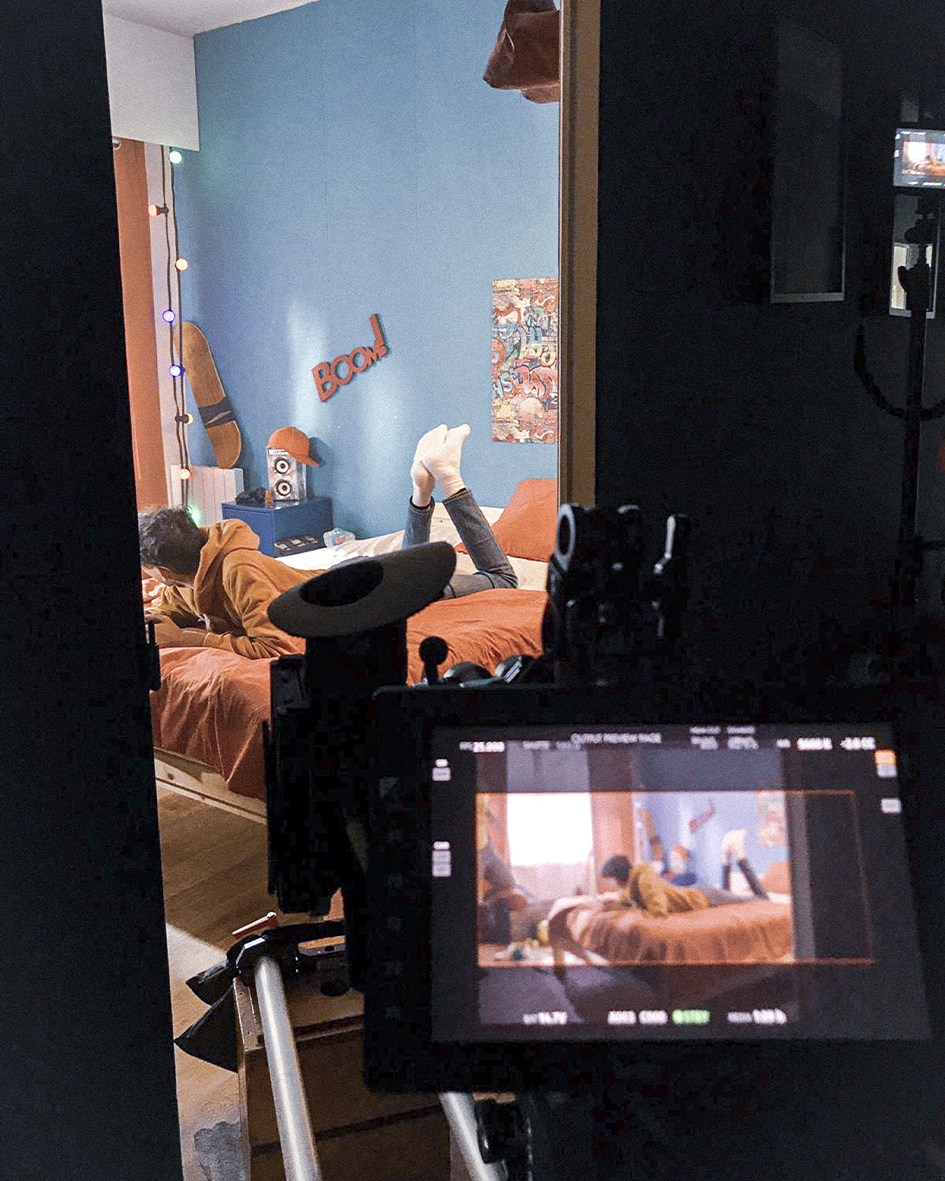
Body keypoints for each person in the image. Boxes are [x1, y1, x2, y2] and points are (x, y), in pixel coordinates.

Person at [140, 423, 516, 658]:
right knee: (411, 568)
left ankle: (446, 478)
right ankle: (421, 487)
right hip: (343, 578)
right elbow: (174, 607)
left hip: (361, 595)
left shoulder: (236, 570)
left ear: (160, 569)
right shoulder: (192, 570)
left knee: (501, 579)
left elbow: (277, 646)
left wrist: (191, 640)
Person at [599, 828, 769, 919]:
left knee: (762, 900)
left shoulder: (644, 879)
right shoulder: (629, 884)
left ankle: (740, 855)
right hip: (700, 893)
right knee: (729, 896)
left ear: (619, 875)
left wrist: (631, 911)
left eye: (612, 879)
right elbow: (626, 903)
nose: (612, 883)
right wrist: (609, 906)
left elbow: (658, 912)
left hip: (705, 897)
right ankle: (726, 856)